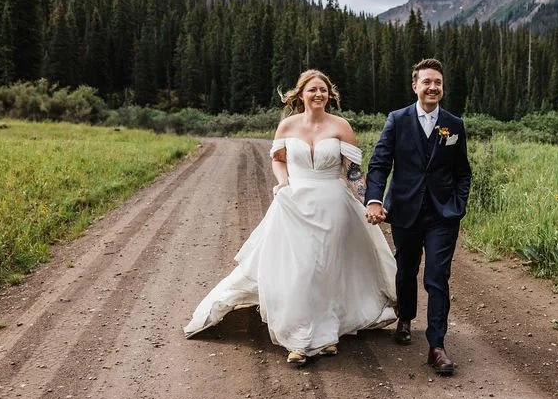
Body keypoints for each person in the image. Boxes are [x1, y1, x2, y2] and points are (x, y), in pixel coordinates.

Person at [184, 70, 397, 365]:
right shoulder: (287, 126)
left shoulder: (341, 126)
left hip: (332, 203)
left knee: (325, 267)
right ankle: (300, 337)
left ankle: (328, 333)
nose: (319, 94)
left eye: (323, 90)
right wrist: (283, 182)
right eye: (313, 90)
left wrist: (369, 202)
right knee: (301, 269)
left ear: (330, 95)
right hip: (295, 204)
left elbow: (352, 172)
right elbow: (278, 159)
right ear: (300, 95)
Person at [365, 58, 472, 375]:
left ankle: (437, 346)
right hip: (405, 210)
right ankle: (405, 318)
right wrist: (374, 199)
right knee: (406, 270)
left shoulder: (453, 125)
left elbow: (463, 173)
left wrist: (458, 205)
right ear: (415, 86)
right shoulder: (397, 120)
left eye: (438, 82)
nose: (433, 87)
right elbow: (380, 163)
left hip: (442, 215)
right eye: (427, 82)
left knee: (437, 277)